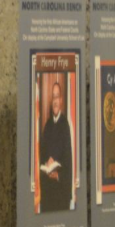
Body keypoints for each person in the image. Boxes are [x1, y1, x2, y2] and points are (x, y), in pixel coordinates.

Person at [38, 81, 73, 213]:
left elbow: (68, 161)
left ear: (61, 100)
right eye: (53, 97)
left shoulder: (65, 126)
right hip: (48, 193)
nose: (55, 101)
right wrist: (47, 162)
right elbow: (42, 156)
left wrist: (58, 175)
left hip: (60, 192)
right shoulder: (47, 126)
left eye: (57, 96)